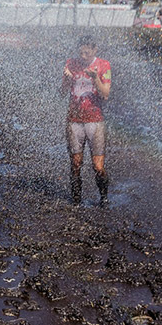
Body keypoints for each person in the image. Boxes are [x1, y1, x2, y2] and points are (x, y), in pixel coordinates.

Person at [61, 37, 112, 206]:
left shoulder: (104, 65)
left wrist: (95, 78)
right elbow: (62, 92)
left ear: (95, 50)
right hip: (74, 120)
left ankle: (104, 198)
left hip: (95, 121)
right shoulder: (71, 63)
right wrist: (67, 79)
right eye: (81, 52)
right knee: (76, 163)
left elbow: (105, 94)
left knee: (98, 166)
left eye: (87, 53)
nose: (83, 56)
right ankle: (76, 200)